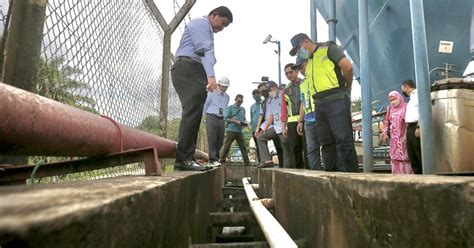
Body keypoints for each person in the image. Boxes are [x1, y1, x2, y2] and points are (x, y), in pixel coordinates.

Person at [171, 6, 233, 171]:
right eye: (222, 23)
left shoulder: (208, 31)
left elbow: (208, 56)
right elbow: (204, 51)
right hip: (187, 68)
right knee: (192, 111)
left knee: (195, 112)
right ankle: (183, 160)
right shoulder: (200, 24)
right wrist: (211, 77)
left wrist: (207, 75)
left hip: (195, 70)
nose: (222, 28)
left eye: (225, 26)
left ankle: (187, 157)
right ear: (214, 15)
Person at [289, 33, 358, 172]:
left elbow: (348, 67)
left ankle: (351, 175)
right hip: (319, 104)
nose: (299, 52)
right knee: (326, 142)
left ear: (306, 41)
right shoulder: (308, 62)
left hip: (336, 99)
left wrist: (347, 88)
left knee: (343, 139)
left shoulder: (328, 48)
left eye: (298, 48)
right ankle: (331, 175)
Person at [292, 58, 322, 170]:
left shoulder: (319, 76)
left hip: (321, 115)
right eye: (299, 68)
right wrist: (300, 121)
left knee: (326, 146)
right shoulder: (303, 84)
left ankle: (332, 173)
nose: (301, 70)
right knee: (311, 149)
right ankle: (316, 173)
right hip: (308, 119)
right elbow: (303, 103)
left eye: (302, 66)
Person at [256, 81, 293, 168]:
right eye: (268, 90)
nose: (269, 92)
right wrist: (265, 127)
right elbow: (271, 115)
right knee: (261, 137)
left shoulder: (284, 95)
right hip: (276, 126)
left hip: (285, 125)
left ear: (275, 87)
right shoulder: (272, 99)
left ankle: (288, 168)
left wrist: (284, 126)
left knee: (285, 148)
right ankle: (267, 160)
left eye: (270, 89)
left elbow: (286, 111)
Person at [282, 63, 308, 169]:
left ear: (297, 71)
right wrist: (284, 126)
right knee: (295, 149)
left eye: (291, 72)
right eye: (286, 73)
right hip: (292, 122)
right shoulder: (285, 90)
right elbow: (283, 109)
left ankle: (311, 172)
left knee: (308, 148)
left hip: (307, 119)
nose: (289, 75)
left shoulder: (305, 83)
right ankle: (299, 172)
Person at [380, 91, 413, 174]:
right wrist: (384, 132)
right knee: (395, 158)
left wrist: (406, 135)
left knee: (405, 157)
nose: (392, 102)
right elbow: (387, 121)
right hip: (394, 138)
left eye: (394, 99)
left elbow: (408, 122)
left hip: (404, 137)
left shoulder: (406, 107)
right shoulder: (390, 108)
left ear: (399, 98)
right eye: (390, 100)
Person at [203, 77, 230, 167]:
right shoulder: (211, 93)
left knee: (220, 140)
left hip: (221, 118)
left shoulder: (227, 97)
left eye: (226, 87)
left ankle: (216, 158)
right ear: (218, 85)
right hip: (211, 117)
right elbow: (205, 104)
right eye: (223, 86)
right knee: (212, 139)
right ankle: (213, 159)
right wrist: (204, 117)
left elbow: (224, 108)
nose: (224, 88)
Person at [220, 94, 251, 168]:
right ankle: (222, 161)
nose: (240, 102)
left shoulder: (243, 109)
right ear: (235, 100)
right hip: (231, 130)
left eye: (241, 101)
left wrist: (245, 123)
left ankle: (247, 163)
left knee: (243, 147)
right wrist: (235, 121)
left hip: (239, 131)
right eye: (238, 101)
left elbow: (244, 118)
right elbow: (226, 118)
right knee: (227, 145)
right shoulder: (230, 108)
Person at [401, 79, 422, 174]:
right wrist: (406, 134)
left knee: (418, 152)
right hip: (410, 127)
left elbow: (422, 111)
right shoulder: (410, 100)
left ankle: (423, 175)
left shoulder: (418, 95)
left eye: (403, 89)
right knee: (411, 153)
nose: (403, 92)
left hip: (416, 126)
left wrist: (419, 127)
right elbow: (408, 118)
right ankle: (417, 176)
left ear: (406, 87)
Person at [250, 88, 262, 162]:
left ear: (260, 94)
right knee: (257, 146)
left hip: (262, 128)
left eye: (257, 93)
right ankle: (259, 161)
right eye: (254, 94)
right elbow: (252, 118)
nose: (255, 95)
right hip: (254, 129)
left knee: (262, 145)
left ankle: (265, 160)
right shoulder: (252, 106)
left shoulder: (263, 103)